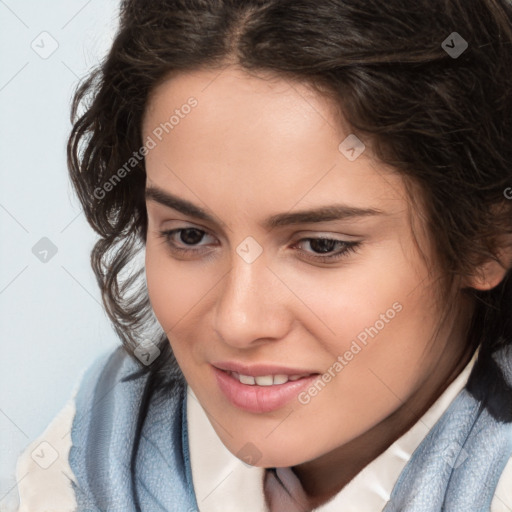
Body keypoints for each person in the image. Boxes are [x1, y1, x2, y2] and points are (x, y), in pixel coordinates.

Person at [14, 0, 512, 510]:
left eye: (322, 246)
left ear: (487, 241)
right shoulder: (89, 454)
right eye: (189, 236)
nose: (238, 321)